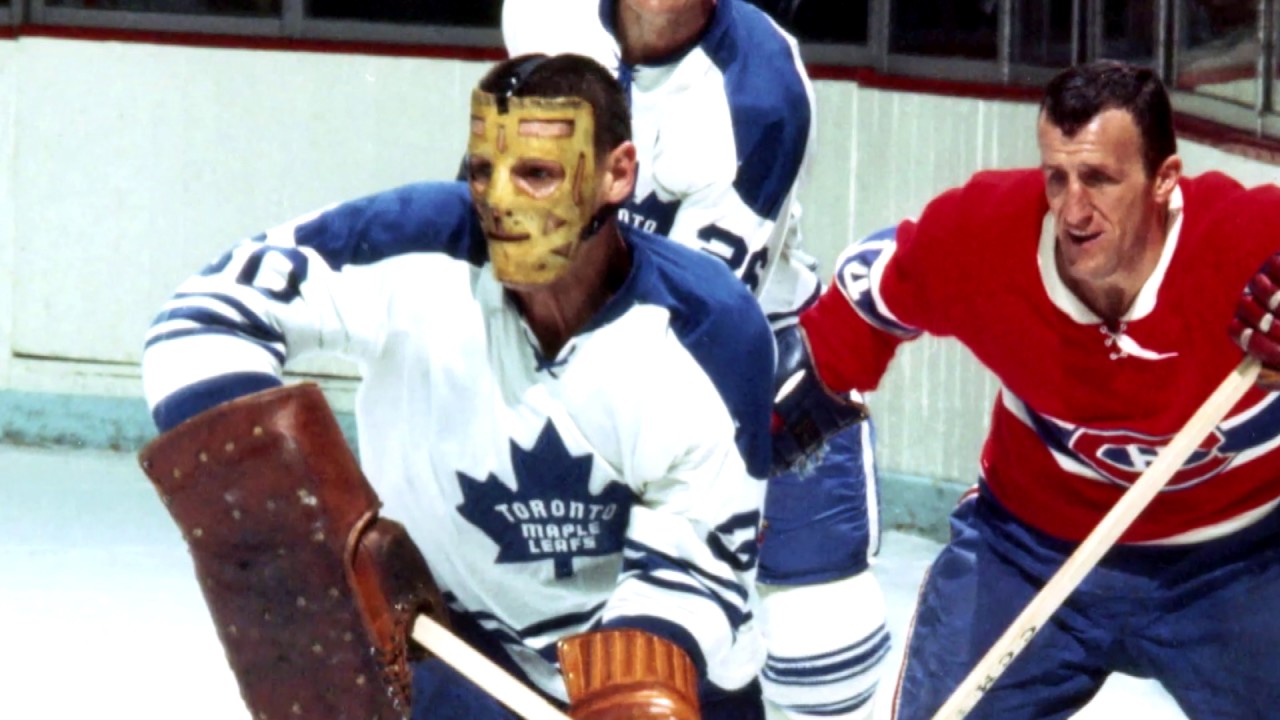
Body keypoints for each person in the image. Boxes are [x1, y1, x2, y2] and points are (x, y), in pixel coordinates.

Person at [141, 52, 775, 720]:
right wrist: (305, 529)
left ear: (618, 173)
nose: (498, 201)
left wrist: (634, 699)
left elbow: (695, 567)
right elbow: (199, 319)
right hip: (454, 648)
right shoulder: (414, 243)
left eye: (535, 173)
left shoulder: (709, 333)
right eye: (482, 170)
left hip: (679, 680)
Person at [772, 59, 1280, 719]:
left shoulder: (1251, 244)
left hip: (1237, 568)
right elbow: (865, 305)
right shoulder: (984, 236)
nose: (1072, 210)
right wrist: (782, 415)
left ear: (1164, 180)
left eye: (1098, 179)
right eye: (1057, 176)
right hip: (1029, 552)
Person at [502, 2, 892, 718]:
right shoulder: (541, 12)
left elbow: (693, 323)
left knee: (822, 662)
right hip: (559, 331)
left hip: (736, 355)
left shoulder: (758, 93)